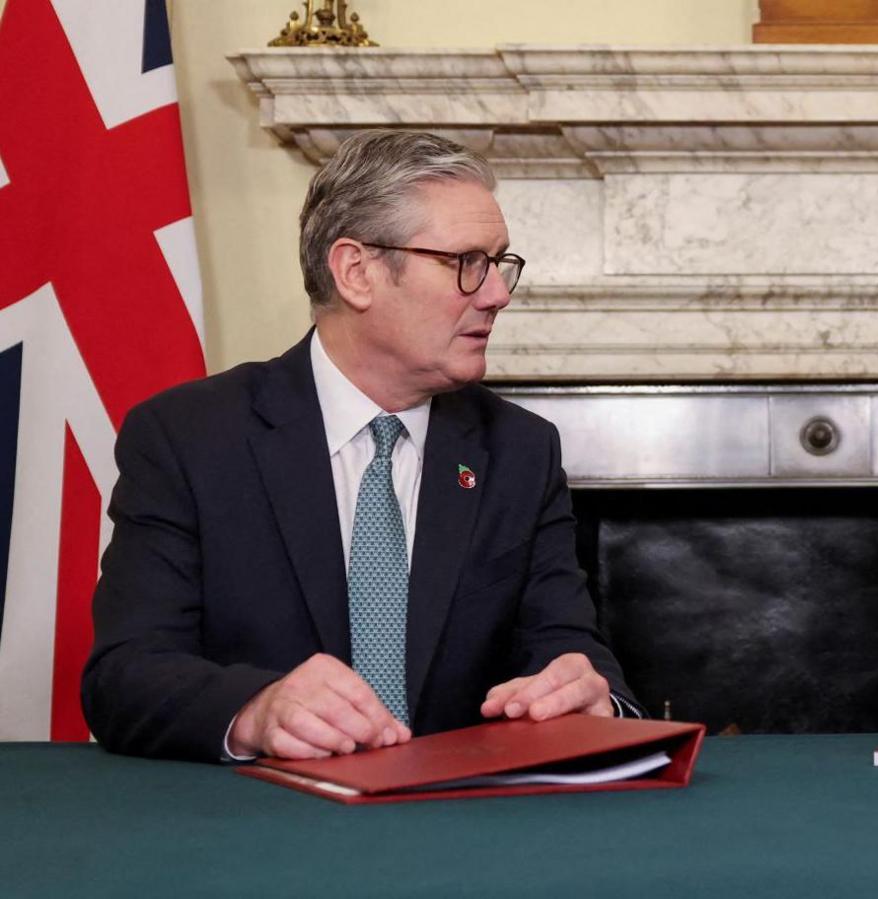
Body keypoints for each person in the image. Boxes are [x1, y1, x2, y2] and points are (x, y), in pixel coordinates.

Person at [82, 130, 640, 762]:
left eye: (499, 262)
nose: (497, 294)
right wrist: (254, 711)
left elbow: (567, 646)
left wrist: (594, 699)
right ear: (356, 272)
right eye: (466, 263)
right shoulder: (189, 438)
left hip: (461, 824)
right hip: (261, 826)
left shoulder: (518, 450)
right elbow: (125, 675)